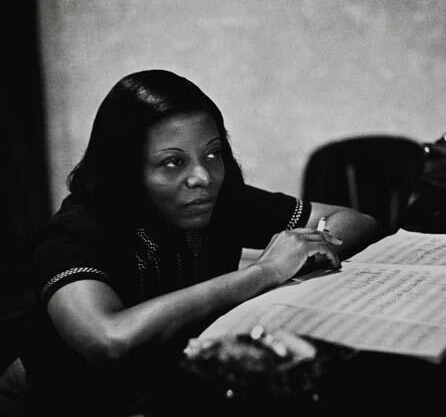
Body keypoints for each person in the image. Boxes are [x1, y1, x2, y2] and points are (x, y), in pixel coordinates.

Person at [22, 70, 380, 416]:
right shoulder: (76, 233)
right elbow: (109, 339)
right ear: (125, 168)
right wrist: (266, 271)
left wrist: (306, 250)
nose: (203, 176)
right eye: (173, 162)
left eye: (213, 154)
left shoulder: (219, 200)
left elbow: (356, 222)